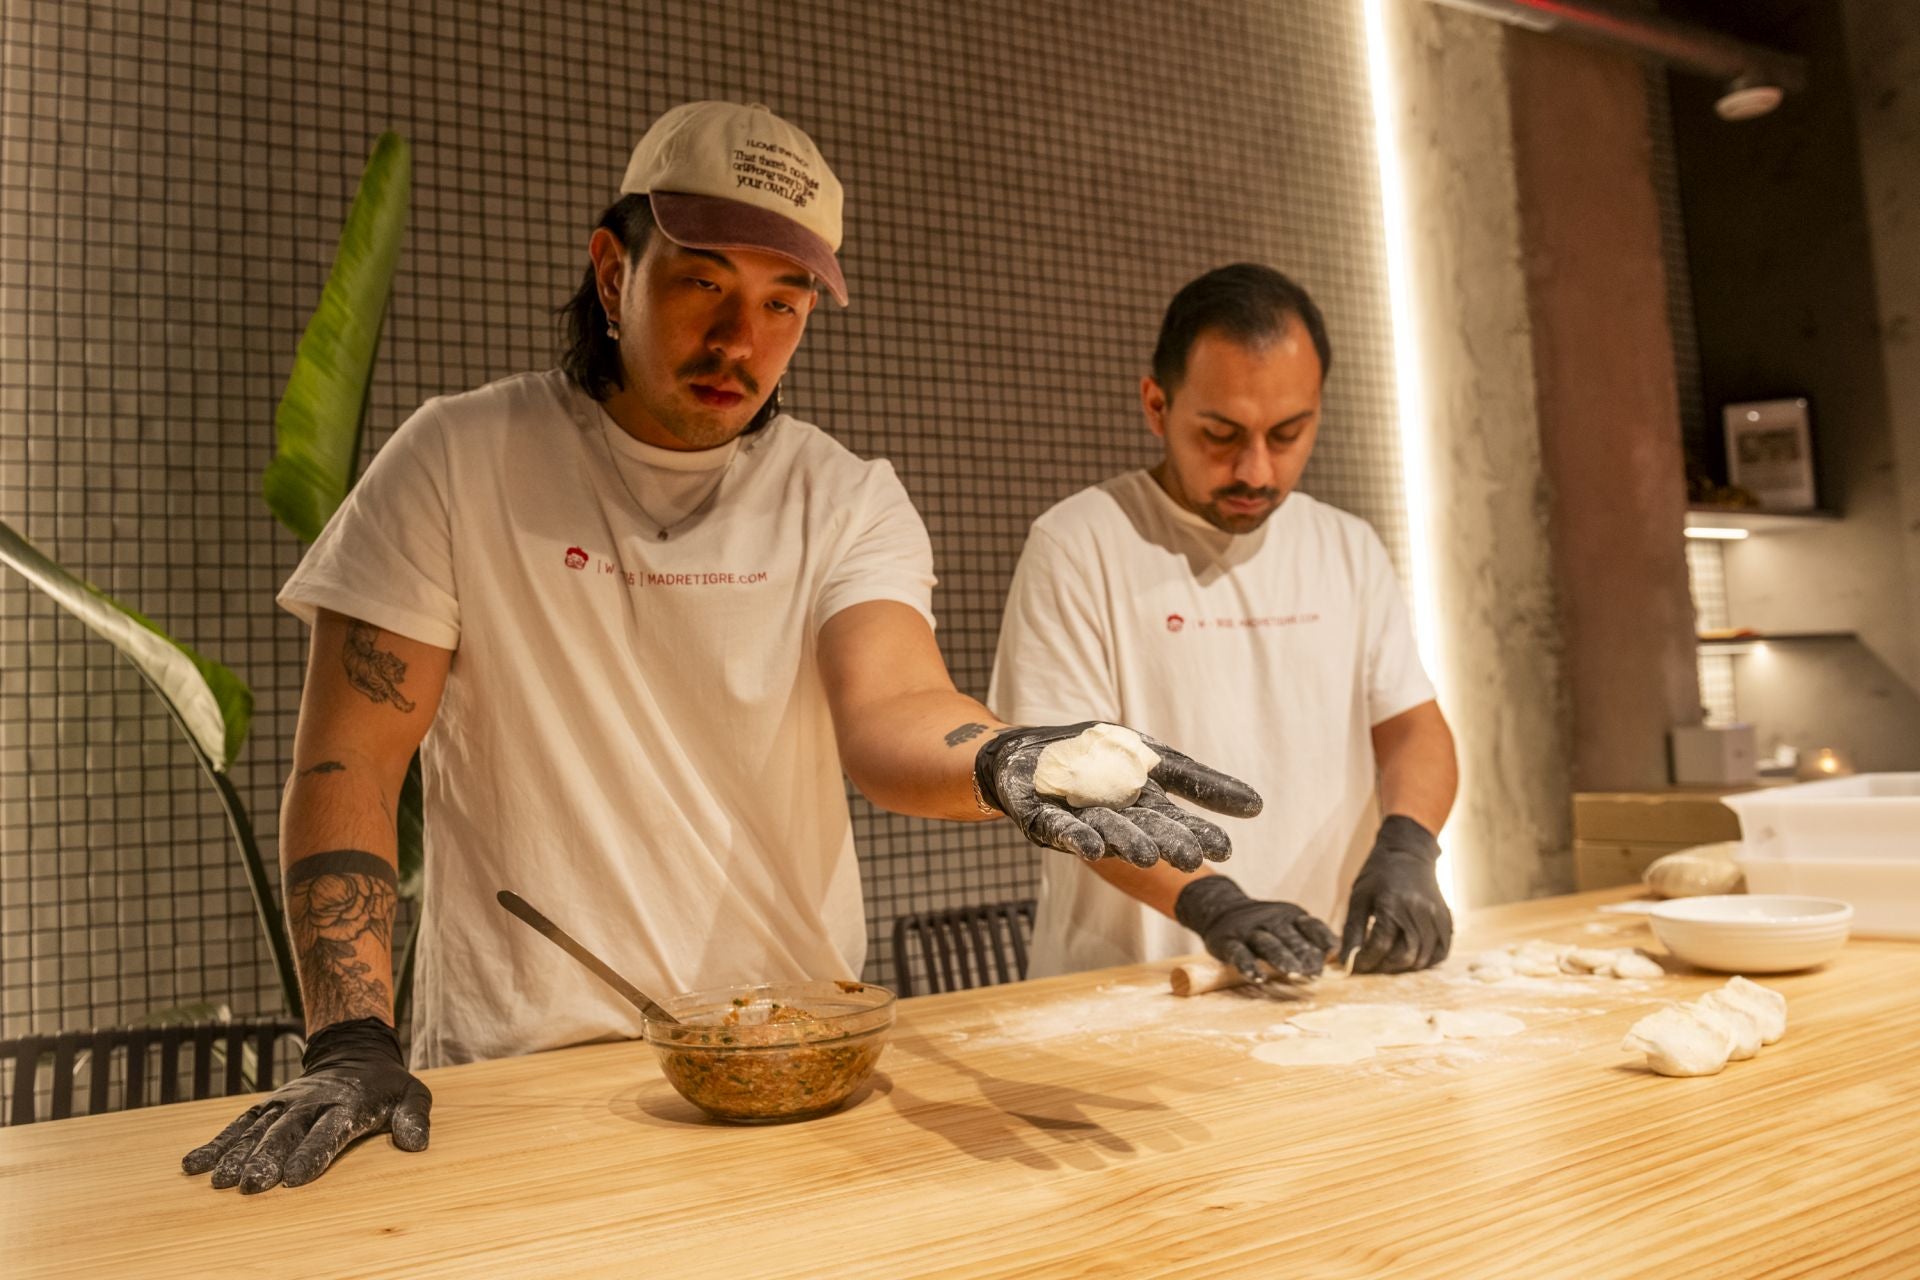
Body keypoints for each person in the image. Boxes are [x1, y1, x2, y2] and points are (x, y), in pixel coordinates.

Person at [180, 102, 1260, 1195]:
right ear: (614, 272)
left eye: (782, 303)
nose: (741, 341)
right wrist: (353, 1039)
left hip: (798, 1067)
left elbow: (892, 709)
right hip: (528, 1073)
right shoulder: (457, 462)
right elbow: (348, 762)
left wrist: (1006, 757)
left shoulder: (843, 498)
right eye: (703, 284)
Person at [989, 263, 1457, 988]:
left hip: (1322, 978)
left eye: (1288, 433)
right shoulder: (1078, 543)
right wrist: (1212, 901)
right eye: (1220, 433)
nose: (1256, 469)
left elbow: (1413, 728)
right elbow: (1062, 787)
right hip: (1136, 982)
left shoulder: (1347, 547)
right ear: (1156, 405)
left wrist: (1409, 845)